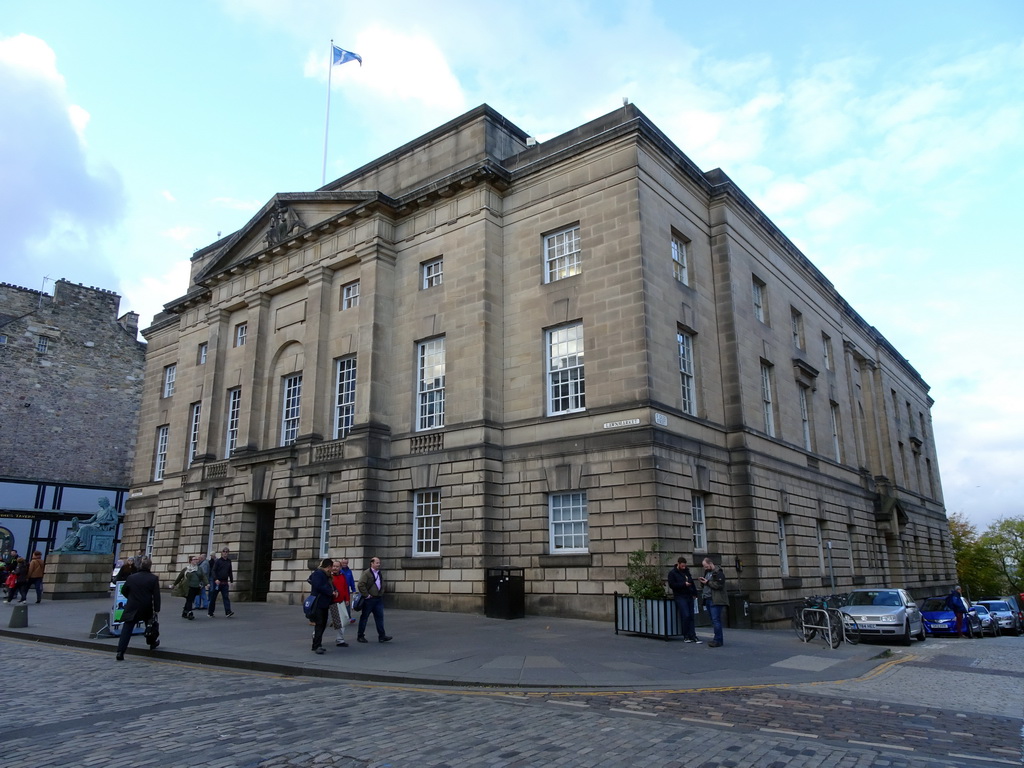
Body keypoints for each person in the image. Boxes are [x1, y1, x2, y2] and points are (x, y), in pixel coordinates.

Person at [116, 557, 161, 660]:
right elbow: (156, 595)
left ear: (140, 566)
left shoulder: (132, 577)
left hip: (132, 606)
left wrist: (131, 598)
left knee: (126, 630)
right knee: (150, 626)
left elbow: (124, 590)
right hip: (146, 606)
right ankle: (152, 643)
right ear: (150, 566)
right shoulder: (153, 578)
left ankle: (120, 652)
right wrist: (157, 608)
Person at [356, 556, 392, 643]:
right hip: (369, 600)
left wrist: (381, 592)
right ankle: (360, 636)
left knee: (379, 618)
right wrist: (367, 595)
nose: (378, 564)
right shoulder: (367, 573)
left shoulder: (379, 573)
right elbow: (361, 584)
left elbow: (381, 583)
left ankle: (382, 636)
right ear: (371, 563)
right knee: (364, 618)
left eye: (379, 563)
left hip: (378, 599)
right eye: (377, 563)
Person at [667, 556, 701, 643]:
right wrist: (683, 584)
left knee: (691, 616)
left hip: (689, 595)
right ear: (678, 564)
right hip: (680, 596)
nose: (684, 567)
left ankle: (693, 635)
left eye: (684, 566)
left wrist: (694, 593)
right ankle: (686, 635)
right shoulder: (672, 573)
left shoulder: (687, 572)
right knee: (686, 615)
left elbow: (691, 582)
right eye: (682, 566)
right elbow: (672, 585)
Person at [307, 558, 336, 654]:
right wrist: (331, 592)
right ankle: (316, 646)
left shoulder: (326, 575)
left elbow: (330, 585)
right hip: (319, 603)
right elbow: (318, 586)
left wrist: (335, 591)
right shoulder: (318, 574)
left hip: (324, 603)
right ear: (328, 567)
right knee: (319, 624)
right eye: (332, 567)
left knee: (323, 624)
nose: (332, 569)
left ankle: (318, 644)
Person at [699, 557, 728, 647]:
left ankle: (718, 640)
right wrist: (703, 582)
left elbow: (718, 585)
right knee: (713, 620)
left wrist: (707, 582)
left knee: (716, 620)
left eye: (706, 566)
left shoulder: (719, 573)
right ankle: (717, 638)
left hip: (715, 600)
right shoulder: (707, 572)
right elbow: (706, 585)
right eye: (704, 567)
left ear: (710, 563)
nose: (705, 568)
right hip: (708, 598)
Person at [330, 560, 351, 647]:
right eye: (334, 566)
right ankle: (315, 636)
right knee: (322, 621)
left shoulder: (343, 576)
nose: (335, 568)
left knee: (342, 621)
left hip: (339, 602)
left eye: (337, 566)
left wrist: (347, 599)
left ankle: (340, 639)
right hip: (329, 601)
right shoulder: (329, 577)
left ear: (340, 568)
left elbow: (345, 588)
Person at [208, 547, 234, 617]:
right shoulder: (218, 561)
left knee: (226, 597)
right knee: (213, 598)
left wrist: (231, 581)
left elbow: (230, 571)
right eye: (224, 551)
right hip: (217, 582)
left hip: (225, 582)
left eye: (227, 552)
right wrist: (215, 579)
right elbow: (213, 571)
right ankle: (210, 612)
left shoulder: (229, 561)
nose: (225, 553)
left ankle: (228, 611)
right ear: (221, 553)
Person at [339, 558, 357, 623]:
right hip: (340, 590)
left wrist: (353, 589)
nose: (344, 564)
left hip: (347, 590)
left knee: (347, 604)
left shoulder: (349, 571)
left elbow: (351, 581)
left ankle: (348, 618)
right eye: (343, 563)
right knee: (339, 605)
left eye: (346, 563)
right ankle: (339, 618)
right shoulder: (339, 571)